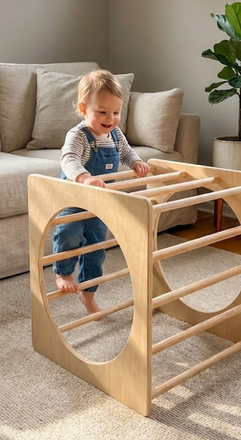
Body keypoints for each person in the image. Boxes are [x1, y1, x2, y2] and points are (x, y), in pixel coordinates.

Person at [53, 69, 149, 315]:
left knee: (96, 251)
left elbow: (127, 153)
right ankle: (63, 273)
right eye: (102, 112)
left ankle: (88, 294)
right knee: (69, 234)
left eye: (116, 112)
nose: (111, 119)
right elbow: (69, 160)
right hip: (75, 201)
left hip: (99, 205)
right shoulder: (78, 136)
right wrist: (85, 178)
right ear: (84, 109)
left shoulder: (115, 134)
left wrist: (136, 162)